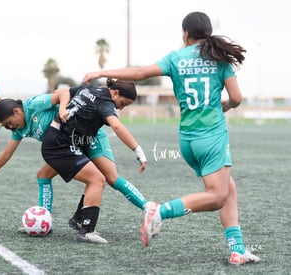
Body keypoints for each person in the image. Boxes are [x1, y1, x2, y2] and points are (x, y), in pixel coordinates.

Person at [83, 11, 260, 264]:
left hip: (187, 140)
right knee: (217, 195)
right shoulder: (220, 59)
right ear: (207, 32)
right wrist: (228, 105)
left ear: (185, 33)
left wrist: (100, 73)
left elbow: (141, 72)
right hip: (211, 135)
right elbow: (237, 98)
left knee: (227, 188)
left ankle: (237, 249)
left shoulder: (176, 58)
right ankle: (160, 211)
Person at [0, 90, 149, 232]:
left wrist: (62, 108)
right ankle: (45, 219)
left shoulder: (34, 105)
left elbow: (63, 92)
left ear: (16, 111)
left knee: (110, 178)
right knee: (43, 175)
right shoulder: (19, 129)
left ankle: (148, 208)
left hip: (89, 137)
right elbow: (6, 154)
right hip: (65, 145)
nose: (10, 127)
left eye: (9, 123)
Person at [41, 79, 147, 244]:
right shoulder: (106, 103)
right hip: (60, 144)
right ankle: (87, 231)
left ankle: (79, 219)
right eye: (123, 103)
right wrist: (137, 149)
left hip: (62, 139)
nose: (121, 108)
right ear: (115, 93)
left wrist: (62, 107)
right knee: (97, 179)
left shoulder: (88, 88)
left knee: (99, 177)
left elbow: (66, 92)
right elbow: (117, 127)